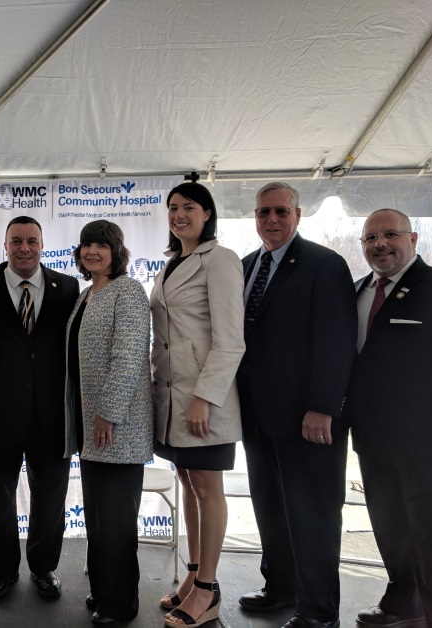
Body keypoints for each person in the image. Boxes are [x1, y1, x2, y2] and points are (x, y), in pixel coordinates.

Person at [237, 182, 357, 628]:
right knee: (270, 507)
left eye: (280, 211)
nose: (271, 219)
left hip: (309, 419)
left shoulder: (325, 264)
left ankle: (319, 612)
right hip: (257, 416)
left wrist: (323, 406)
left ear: (298, 214)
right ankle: (280, 588)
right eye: (263, 212)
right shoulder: (247, 265)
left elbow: (337, 341)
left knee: (313, 515)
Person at [343, 209, 432, 628]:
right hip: (373, 440)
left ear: (413, 238)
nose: (380, 244)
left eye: (390, 234)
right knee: (391, 529)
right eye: (370, 238)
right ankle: (403, 604)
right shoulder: (357, 291)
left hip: (428, 444)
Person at [150, 183, 245, 628]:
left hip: (204, 400)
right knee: (187, 483)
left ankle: (208, 589)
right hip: (171, 398)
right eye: (173, 207)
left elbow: (231, 341)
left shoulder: (220, 260)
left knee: (208, 488)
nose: (179, 214)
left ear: (207, 213)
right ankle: (193, 573)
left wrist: (204, 398)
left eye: (189, 207)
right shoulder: (171, 263)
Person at [0, 216, 79, 600]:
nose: (24, 248)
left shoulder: (67, 288)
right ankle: (1, 571)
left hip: (52, 414)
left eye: (31, 241)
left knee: (51, 496)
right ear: (4, 246)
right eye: (16, 241)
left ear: (42, 245)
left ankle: (44, 567)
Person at [64, 219, 153, 626]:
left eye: (101, 245)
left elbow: (129, 355)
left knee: (116, 522)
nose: (92, 251)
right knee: (99, 519)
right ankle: (103, 591)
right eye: (87, 245)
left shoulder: (128, 291)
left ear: (116, 251)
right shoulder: (86, 295)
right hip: (91, 426)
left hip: (118, 426)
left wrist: (109, 413)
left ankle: (120, 605)